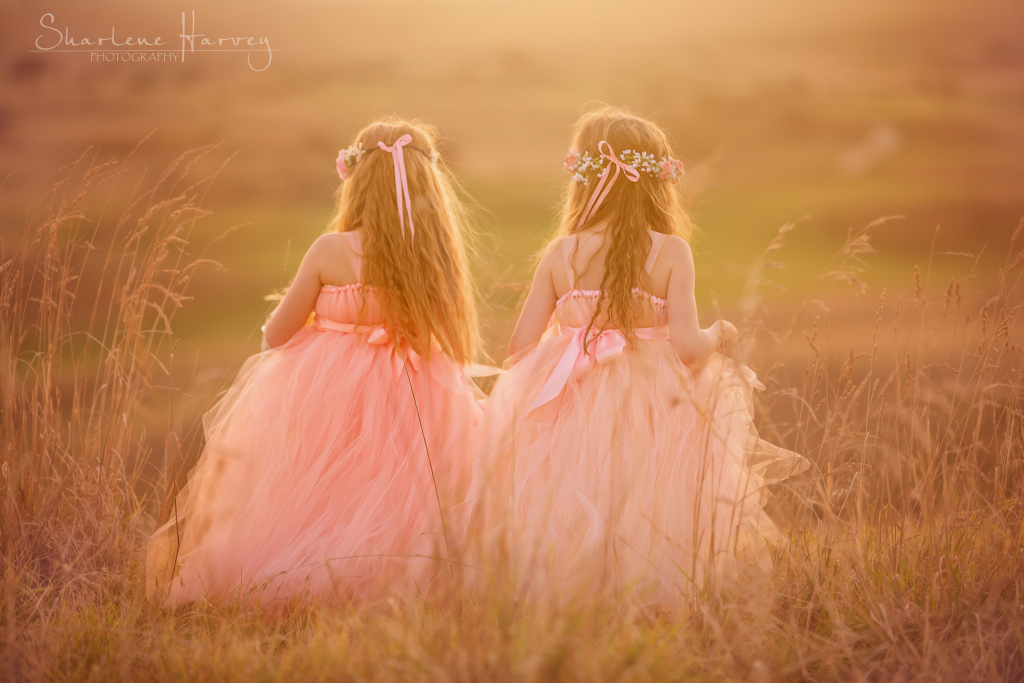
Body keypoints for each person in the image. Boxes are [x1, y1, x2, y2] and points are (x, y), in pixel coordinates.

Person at [468, 106, 808, 605]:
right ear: (657, 183)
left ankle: (573, 599)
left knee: (574, 498)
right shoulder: (670, 252)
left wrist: (573, 347)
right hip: (655, 402)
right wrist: (723, 332)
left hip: (572, 406)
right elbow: (690, 348)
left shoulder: (561, 254)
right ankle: (651, 601)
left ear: (583, 178)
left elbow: (519, 350)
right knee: (648, 504)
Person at [148, 118, 483, 605]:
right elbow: (456, 345)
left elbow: (277, 333)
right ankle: (394, 579)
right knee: (393, 489)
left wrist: (325, 323)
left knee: (316, 487)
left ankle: (304, 578)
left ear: (356, 182)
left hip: (324, 392)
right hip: (412, 392)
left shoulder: (331, 250)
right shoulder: (433, 256)